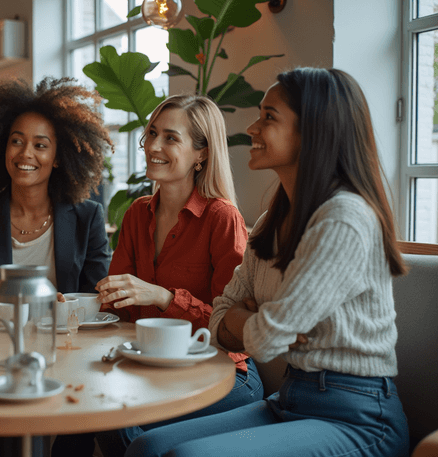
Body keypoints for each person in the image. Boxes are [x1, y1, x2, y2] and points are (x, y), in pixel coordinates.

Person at [124, 68, 410, 457]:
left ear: (312, 131)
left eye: (269, 117)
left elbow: (266, 338)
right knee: (145, 447)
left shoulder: (344, 218)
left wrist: (248, 320)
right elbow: (219, 321)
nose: (252, 128)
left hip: (357, 418)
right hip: (291, 399)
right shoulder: (270, 223)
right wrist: (249, 320)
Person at [55, 94, 263, 457]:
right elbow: (116, 308)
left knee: (115, 421)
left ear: (201, 153)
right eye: (152, 133)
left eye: (170, 138)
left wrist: (163, 297)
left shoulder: (221, 218)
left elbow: (234, 331)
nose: (153, 146)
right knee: (76, 416)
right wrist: (74, 308)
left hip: (224, 375)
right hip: (153, 366)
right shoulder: (137, 214)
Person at [0, 77, 113, 306]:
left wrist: (63, 308)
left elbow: (96, 299)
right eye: (16, 141)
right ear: (3, 147)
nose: (26, 153)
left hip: (67, 330)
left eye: (40, 145)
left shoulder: (87, 218)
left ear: (57, 157)